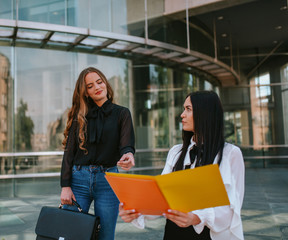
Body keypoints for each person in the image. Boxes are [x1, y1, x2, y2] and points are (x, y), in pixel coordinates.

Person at [119, 90, 245, 240]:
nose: (182, 115)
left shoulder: (231, 154)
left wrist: (196, 217)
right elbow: (162, 198)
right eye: (184, 109)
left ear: (205, 113)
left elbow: (232, 208)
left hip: (209, 236)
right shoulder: (176, 152)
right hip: (174, 233)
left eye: (188, 109)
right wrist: (136, 210)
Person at [60, 67, 136, 240]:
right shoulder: (80, 116)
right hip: (78, 180)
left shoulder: (122, 113)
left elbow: (126, 144)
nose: (96, 87)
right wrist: (65, 186)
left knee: (106, 236)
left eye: (99, 82)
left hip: (108, 181)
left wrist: (128, 155)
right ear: (86, 92)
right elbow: (68, 153)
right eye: (90, 86)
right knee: (71, 235)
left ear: (106, 84)